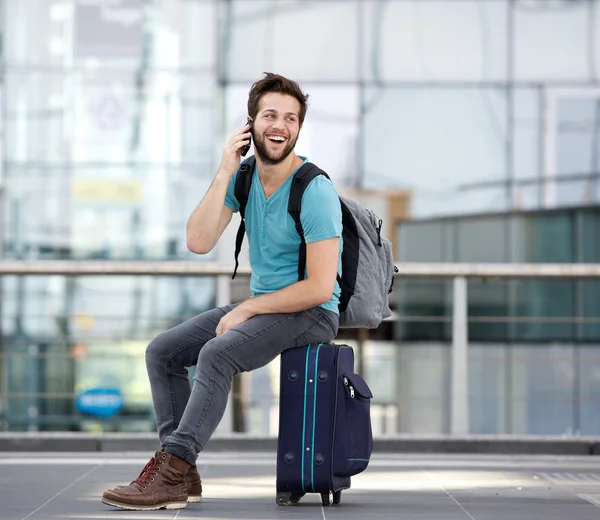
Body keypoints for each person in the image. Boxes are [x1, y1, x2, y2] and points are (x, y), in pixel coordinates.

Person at [101, 72, 343, 511]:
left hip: (312, 311)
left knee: (217, 353)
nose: (280, 125)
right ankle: (183, 475)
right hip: (266, 306)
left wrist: (248, 308)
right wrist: (226, 169)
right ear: (250, 123)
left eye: (291, 118)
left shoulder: (315, 190)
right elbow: (198, 241)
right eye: (270, 115)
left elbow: (320, 286)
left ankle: (172, 469)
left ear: (299, 129)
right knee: (162, 352)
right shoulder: (245, 175)